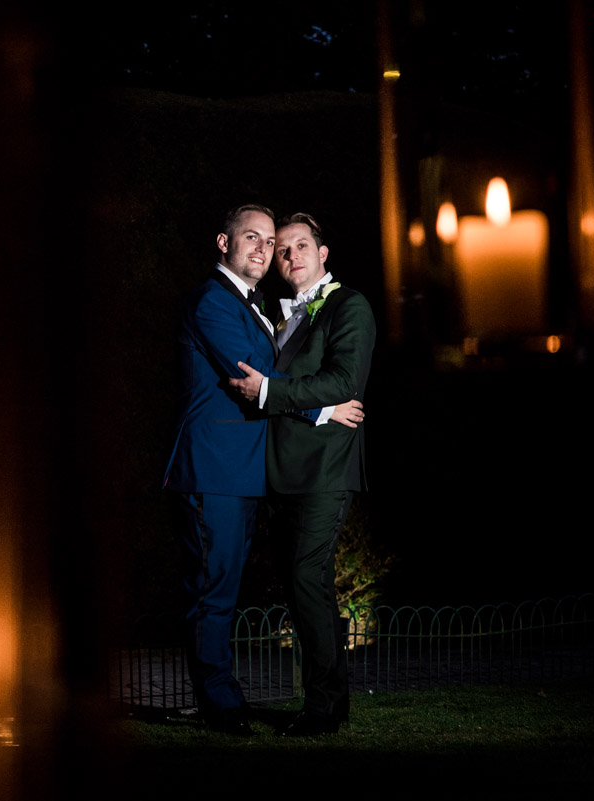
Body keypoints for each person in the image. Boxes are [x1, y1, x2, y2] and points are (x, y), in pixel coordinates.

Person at [163, 204, 363, 735]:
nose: (264, 248)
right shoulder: (212, 302)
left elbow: (274, 377)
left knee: (226, 590)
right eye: (251, 237)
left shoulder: (258, 306)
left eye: (269, 241)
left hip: (248, 473)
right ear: (223, 243)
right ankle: (221, 706)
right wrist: (322, 407)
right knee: (213, 592)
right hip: (214, 469)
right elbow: (251, 377)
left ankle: (228, 697)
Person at [229, 211, 375, 737]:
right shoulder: (275, 311)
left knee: (307, 580)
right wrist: (319, 406)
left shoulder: (349, 306)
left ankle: (321, 707)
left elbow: (342, 379)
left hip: (324, 471)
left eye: (300, 247)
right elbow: (322, 393)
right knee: (302, 588)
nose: (290, 257)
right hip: (281, 472)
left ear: (323, 253)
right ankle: (331, 701)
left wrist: (271, 392)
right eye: (282, 249)